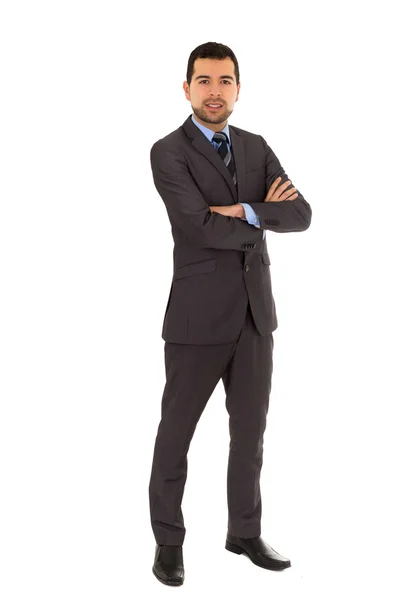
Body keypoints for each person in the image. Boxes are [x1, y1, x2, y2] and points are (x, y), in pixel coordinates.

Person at [148, 41, 312, 586]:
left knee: (250, 434)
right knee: (176, 435)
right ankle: (169, 541)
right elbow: (196, 226)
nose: (214, 91)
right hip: (197, 320)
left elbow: (301, 213)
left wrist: (241, 209)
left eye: (224, 81)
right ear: (187, 87)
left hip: (255, 317)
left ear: (238, 88)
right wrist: (264, 216)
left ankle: (244, 530)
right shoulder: (168, 151)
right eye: (204, 80)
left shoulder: (257, 145)